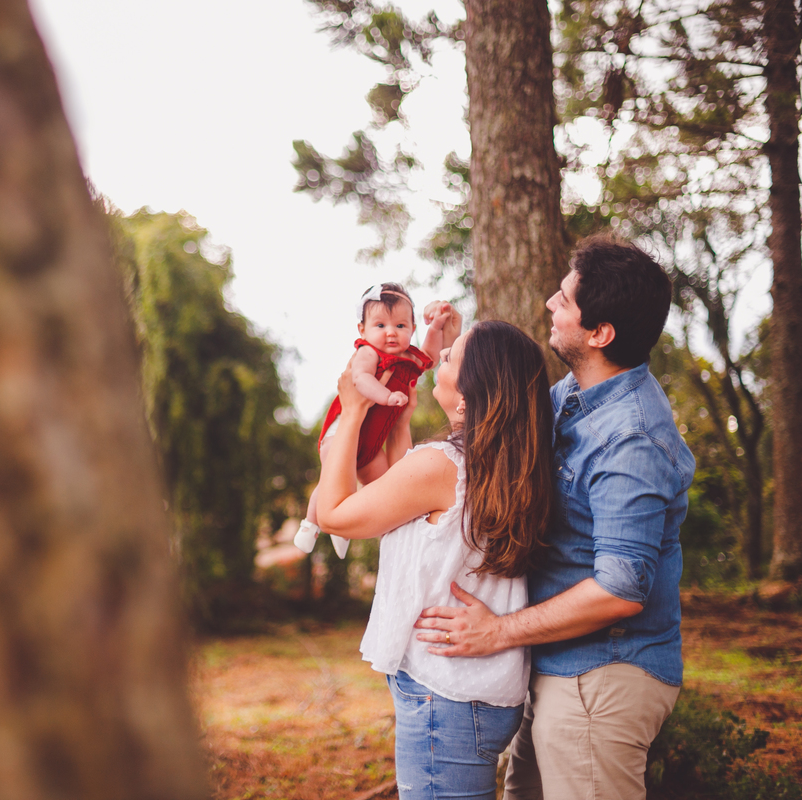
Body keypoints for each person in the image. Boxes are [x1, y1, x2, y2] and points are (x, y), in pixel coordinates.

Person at [414, 235, 695, 800]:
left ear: (599, 334)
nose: (549, 302)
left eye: (564, 300)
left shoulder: (631, 439)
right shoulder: (575, 396)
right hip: (559, 665)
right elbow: (497, 421)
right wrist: (453, 354)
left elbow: (622, 588)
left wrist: (497, 632)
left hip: (602, 677)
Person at [315, 320, 554, 800]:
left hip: (442, 697)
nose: (438, 360)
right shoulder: (505, 464)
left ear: (468, 394)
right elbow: (407, 499)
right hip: (476, 691)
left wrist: (352, 410)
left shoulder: (443, 465)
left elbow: (333, 514)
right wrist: (400, 421)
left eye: (449, 358)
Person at [295, 283, 459, 558]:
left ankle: (348, 523)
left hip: (372, 443)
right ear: (362, 330)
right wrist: (385, 396)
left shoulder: (407, 358)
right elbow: (360, 380)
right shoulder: (368, 353)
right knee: (332, 478)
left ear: (412, 329)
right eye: (380, 325)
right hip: (342, 431)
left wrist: (436, 329)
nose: (391, 332)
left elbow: (429, 358)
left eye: (401, 326)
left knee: (387, 483)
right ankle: (311, 525)